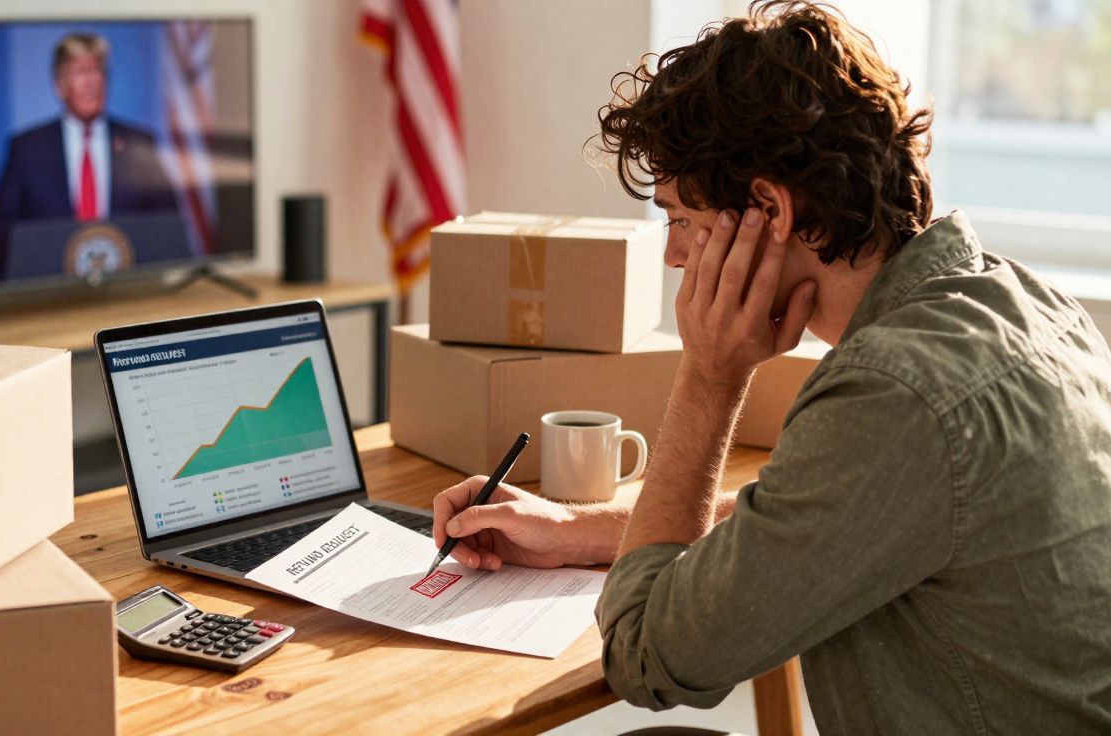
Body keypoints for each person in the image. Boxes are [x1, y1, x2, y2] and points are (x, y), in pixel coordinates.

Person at [430, 2, 1111, 733]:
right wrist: (573, 528)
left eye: (680, 220)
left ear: (769, 209)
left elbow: (643, 652)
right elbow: (811, 514)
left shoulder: (895, 391)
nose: (674, 255)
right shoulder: (1029, 305)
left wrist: (710, 376)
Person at [0, 32, 178, 276]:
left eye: (97, 70)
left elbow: (167, 228)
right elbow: (2, 239)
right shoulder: (27, 150)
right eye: (80, 72)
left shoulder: (139, 143)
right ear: (59, 86)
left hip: (128, 288)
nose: (91, 82)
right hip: (53, 291)